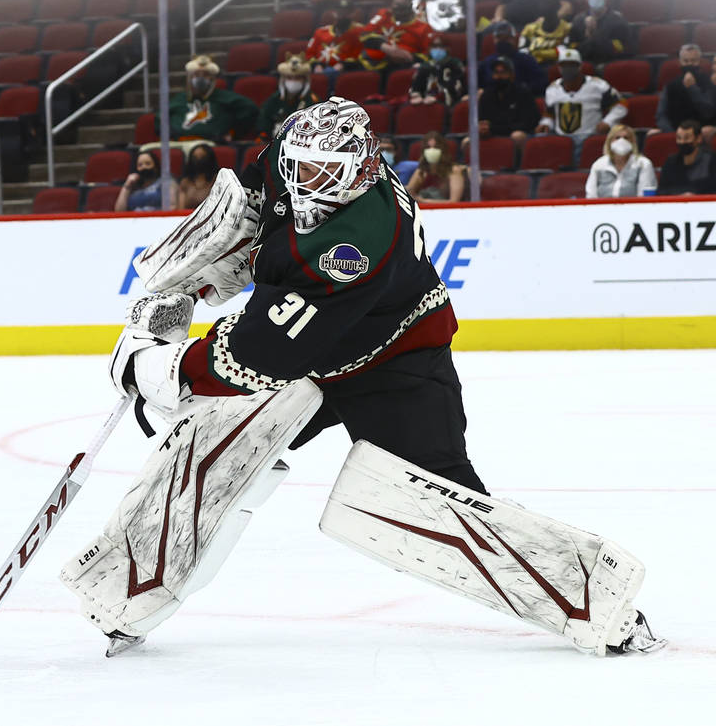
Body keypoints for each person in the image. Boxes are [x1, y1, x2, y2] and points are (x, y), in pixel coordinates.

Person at [63, 97, 664, 659]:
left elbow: (259, 354)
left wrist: (158, 368)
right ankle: (127, 592)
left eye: (325, 176)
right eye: (300, 168)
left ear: (362, 170)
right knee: (206, 450)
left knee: (436, 505)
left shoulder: (357, 242)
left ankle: (594, 604)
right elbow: (249, 201)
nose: (305, 186)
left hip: (393, 363)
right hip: (312, 350)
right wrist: (187, 278)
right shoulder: (293, 155)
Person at [538, 47, 626, 147]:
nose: (568, 69)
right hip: (561, 140)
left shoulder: (598, 85)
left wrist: (608, 122)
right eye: (564, 65)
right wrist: (546, 124)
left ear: (580, 66)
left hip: (589, 139)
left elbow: (621, 105)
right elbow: (549, 115)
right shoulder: (552, 89)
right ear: (559, 67)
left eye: (572, 65)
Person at [166, 55, 258, 143]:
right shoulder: (179, 99)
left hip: (209, 144)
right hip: (179, 142)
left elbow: (250, 109)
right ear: (189, 78)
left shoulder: (225, 97)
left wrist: (233, 132)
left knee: (199, 153)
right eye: (196, 74)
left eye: (205, 75)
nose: (200, 78)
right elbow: (161, 117)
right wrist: (170, 134)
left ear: (212, 78)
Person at [357, 0, 433, 70]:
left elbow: (429, 55)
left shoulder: (423, 28)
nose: (398, 13)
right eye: (395, 8)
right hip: (375, 61)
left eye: (402, 9)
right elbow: (364, 34)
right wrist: (385, 47)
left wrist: (411, 57)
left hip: (404, 66)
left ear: (410, 7)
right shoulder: (384, 14)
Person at [476, 55, 541, 147]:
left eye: (503, 72)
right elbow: (482, 120)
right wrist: (482, 128)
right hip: (492, 134)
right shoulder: (487, 95)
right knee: (468, 141)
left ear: (512, 75)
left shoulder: (523, 93)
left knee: (517, 136)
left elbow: (528, 123)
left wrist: (495, 128)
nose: (499, 76)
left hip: (516, 134)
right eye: (496, 72)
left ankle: (518, 161)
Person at [654, 45, 716, 138]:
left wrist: (692, 88)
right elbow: (661, 115)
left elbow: (708, 112)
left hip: (701, 134)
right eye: (686, 61)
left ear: (699, 61)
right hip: (676, 132)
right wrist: (672, 133)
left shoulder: (708, 83)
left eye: (693, 61)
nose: (689, 64)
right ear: (680, 62)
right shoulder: (671, 85)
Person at [257, 54, 322, 140]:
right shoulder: (275, 98)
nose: (293, 82)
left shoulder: (313, 100)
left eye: (297, 78)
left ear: (304, 80)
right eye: (289, 78)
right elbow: (264, 120)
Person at [585, 124, 657, 198]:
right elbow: (591, 195)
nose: (621, 141)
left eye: (626, 138)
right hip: (602, 208)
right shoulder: (599, 165)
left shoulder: (643, 164)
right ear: (610, 142)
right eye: (617, 138)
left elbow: (644, 196)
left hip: (632, 208)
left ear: (632, 142)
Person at [568, 0, 631, 65]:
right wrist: (589, 34)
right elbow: (573, 51)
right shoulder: (578, 20)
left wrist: (595, 34)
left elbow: (619, 50)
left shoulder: (618, 21)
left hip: (608, 64)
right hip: (584, 65)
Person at [405, 130, 466, 203]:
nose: (431, 150)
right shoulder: (421, 170)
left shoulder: (454, 170)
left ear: (443, 149)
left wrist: (423, 201)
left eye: (436, 147)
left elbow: (454, 201)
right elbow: (410, 192)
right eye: (428, 147)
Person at [658, 120, 716, 196]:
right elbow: (661, 191)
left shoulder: (711, 160)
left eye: (687, 138)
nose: (682, 142)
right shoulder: (671, 162)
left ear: (698, 138)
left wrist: (695, 195)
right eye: (679, 138)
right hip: (675, 204)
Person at [304, 2, 364, 72]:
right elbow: (309, 54)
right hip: (319, 70)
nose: (342, 14)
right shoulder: (320, 31)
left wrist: (343, 64)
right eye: (339, 11)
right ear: (333, 13)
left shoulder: (359, 32)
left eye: (346, 12)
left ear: (352, 14)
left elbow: (359, 54)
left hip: (346, 71)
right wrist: (317, 65)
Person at [409, 34, 465, 105]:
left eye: (441, 46)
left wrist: (437, 97)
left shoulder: (454, 64)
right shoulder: (425, 66)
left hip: (447, 101)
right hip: (424, 101)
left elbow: (456, 86)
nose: (438, 49)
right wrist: (417, 95)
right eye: (434, 46)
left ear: (448, 48)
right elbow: (416, 86)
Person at [178, 144, 220, 211]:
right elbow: (180, 210)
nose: (198, 160)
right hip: (188, 218)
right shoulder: (185, 182)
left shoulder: (218, 180)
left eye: (202, 157)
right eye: (195, 157)